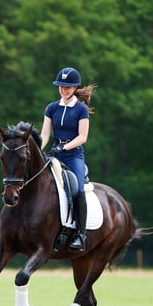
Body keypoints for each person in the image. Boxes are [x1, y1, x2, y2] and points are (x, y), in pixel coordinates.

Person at [40, 67, 97, 253]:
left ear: (75, 87)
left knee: (78, 191)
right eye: (61, 86)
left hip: (73, 155)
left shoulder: (81, 109)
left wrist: (63, 147)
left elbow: (83, 137)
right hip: (55, 153)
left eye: (68, 87)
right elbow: (45, 134)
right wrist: (37, 150)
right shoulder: (51, 108)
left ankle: (80, 234)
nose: (64, 90)